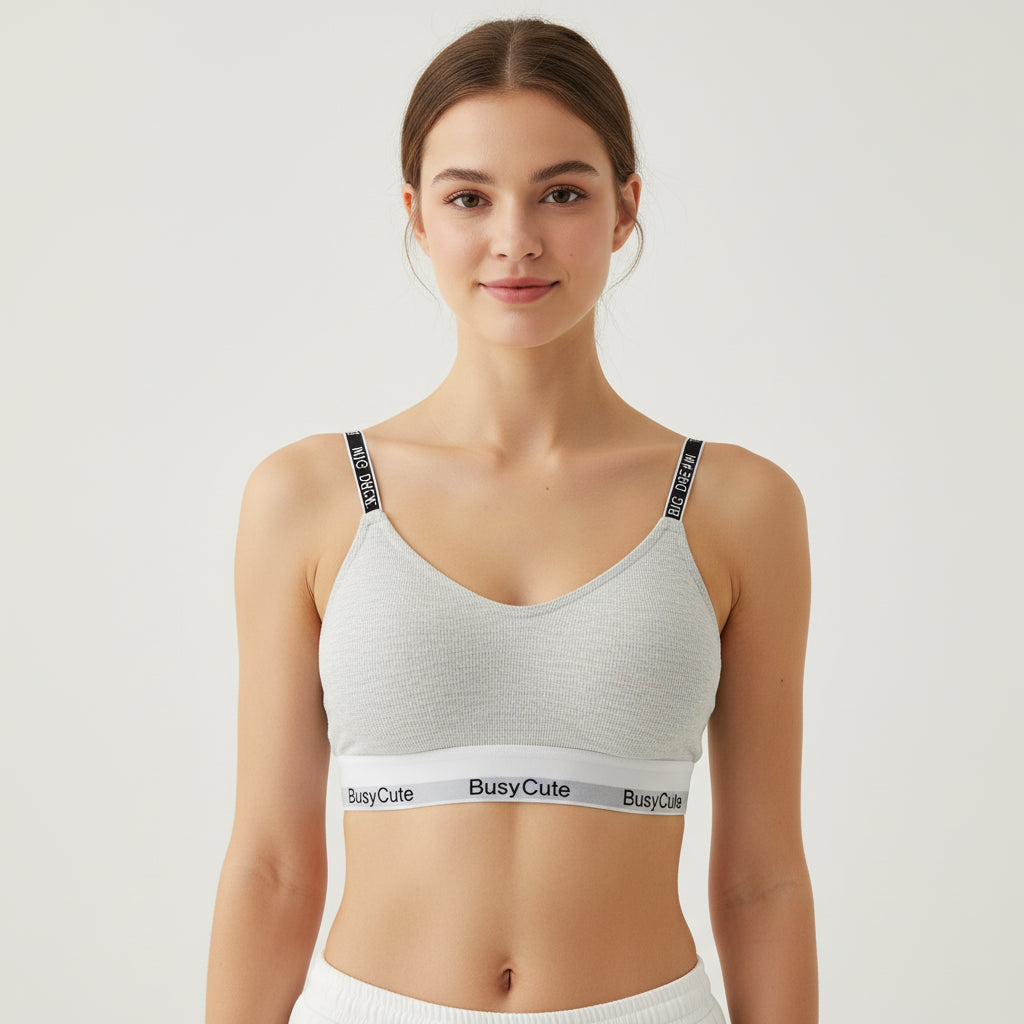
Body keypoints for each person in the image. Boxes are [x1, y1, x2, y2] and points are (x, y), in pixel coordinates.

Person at [206, 17, 817, 1024]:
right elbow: (269, 866)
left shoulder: (739, 504)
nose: (515, 239)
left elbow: (762, 879)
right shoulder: (305, 496)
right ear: (416, 214)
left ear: (624, 209)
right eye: (468, 197)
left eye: (562, 192)